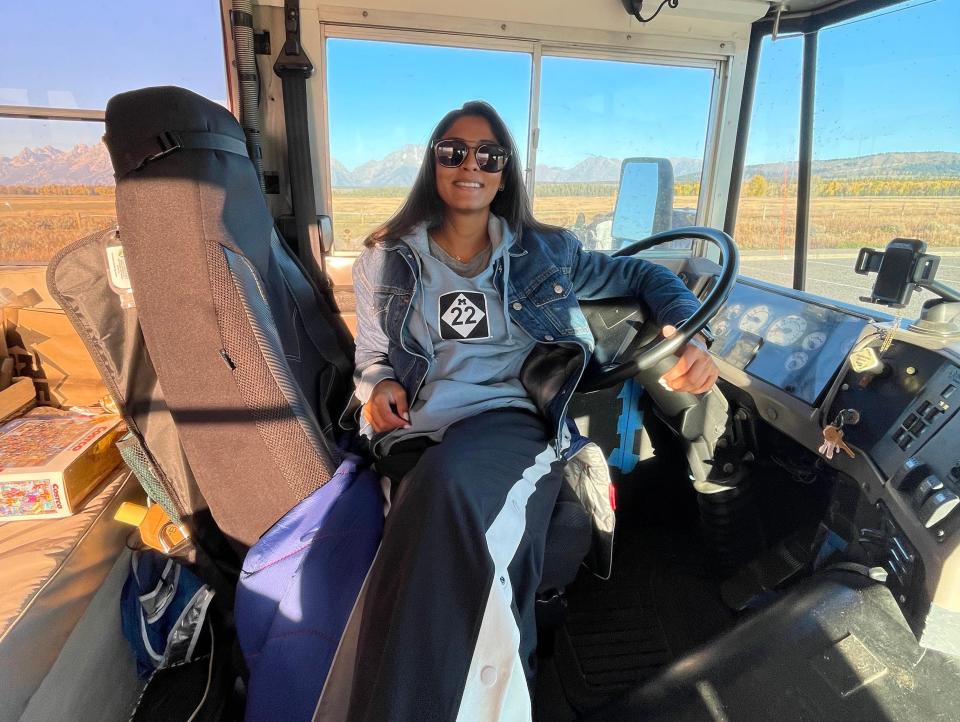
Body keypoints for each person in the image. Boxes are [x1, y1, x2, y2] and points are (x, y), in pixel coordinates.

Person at [325, 101, 718, 721]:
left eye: (489, 154)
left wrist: (688, 332)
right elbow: (372, 356)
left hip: (508, 421)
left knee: (453, 495)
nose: (470, 165)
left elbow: (642, 274)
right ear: (433, 166)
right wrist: (375, 387)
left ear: (504, 173)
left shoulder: (546, 251)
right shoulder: (387, 258)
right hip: (417, 432)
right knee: (436, 520)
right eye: (453, 152)